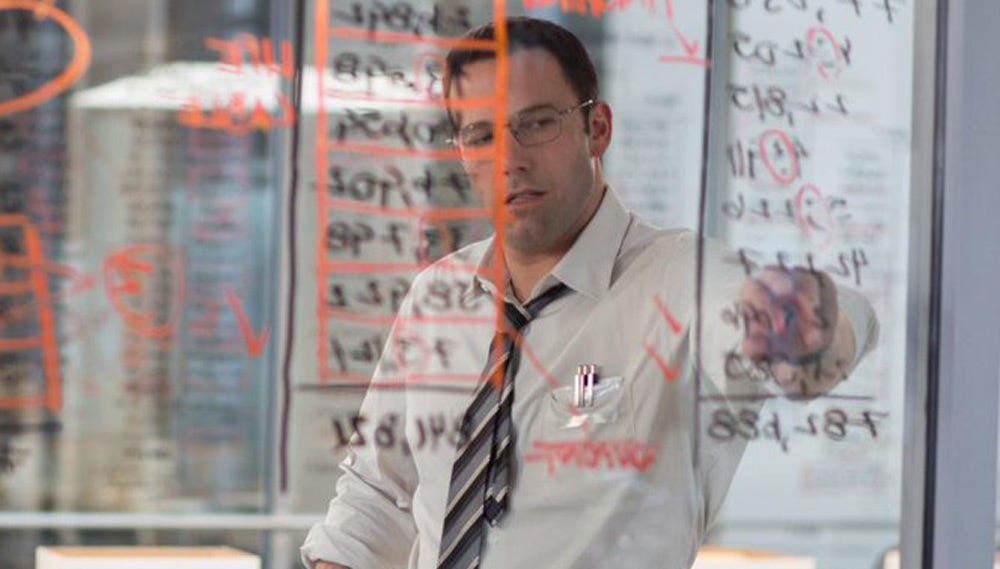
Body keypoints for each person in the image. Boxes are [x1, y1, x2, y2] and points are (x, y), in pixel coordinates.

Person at [303, 16, 878, 569]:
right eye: (481, 136)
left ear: (597, 128)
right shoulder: (437, 296)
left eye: (537, 124)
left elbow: (825, 324)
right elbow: (377, 494)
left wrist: (805, 325)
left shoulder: (681, 280)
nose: (510, 160)